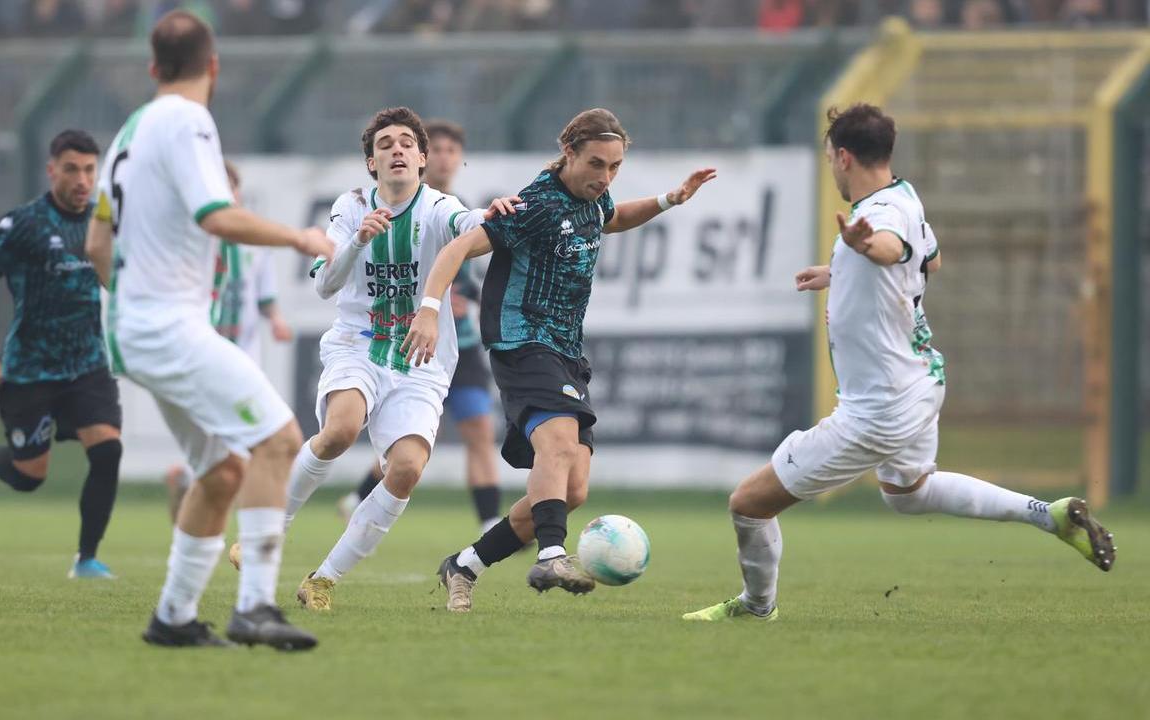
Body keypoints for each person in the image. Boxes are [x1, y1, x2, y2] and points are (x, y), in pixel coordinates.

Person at [682, 104, 1116, 624]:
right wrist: (843, 267)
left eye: (829, 161)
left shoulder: (879, 216)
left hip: (880, 406)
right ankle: (1050, 516)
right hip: (920, 381)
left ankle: (757, 608)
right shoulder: (905, 196)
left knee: (749, 503)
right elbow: (929, 259)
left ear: (843, 157)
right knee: (910, 493)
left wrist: (869, 249)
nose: (832, 171)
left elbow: (891, 247)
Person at [402, 107, 716, 612]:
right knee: (560, 440)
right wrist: (430, 309)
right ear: (568, 152)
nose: (605, 177)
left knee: (571, 490)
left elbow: (612, 218)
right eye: (596, 164)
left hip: (567, 348)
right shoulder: (536, 205)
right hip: (522, 338)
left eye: (614, 167)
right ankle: (551, 553)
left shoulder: (594, 197)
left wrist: (668, 199)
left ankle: (465, 565)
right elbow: (458, 247)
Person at [85, 9, 331, 649]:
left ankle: (171, 620)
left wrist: (132, 305)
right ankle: (254, 607)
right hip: (166, 324)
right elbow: (217, 215)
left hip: (137, 326)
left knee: (223, 470)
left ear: (151, 68)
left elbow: (95, 245)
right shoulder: (187, 120)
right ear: (213, 65)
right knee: (279, 442)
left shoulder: (129, 132)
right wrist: (299, 237)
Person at [246, 106, 517, 612]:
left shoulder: (439, 206)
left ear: (422, 157)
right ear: (371, 162)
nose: (395, 149)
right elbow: (326, 284)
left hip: (419, 359)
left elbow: (469, 224)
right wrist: (356, 242)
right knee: (342, 428)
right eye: (384, 144)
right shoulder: (349, 207)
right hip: (358, 342)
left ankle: (323, 579)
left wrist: (493, 213)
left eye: (405, 143)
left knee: (408, 468)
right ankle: (269, 527)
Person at [0, 129, 123, 581]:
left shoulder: (106, 222)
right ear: (52, 170)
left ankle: (86, 559)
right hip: (31, 370)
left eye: (89, 169)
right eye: (71, 169)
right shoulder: (24, 224)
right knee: (29, 477)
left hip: (88, 364)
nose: (82, 179)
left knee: (107, 452)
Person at [338, 119, 503, 534]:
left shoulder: (456, 210)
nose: (446, 158)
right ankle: (360, 499)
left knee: (480, 431)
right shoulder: (395, 209)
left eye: (453, 151)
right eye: (440, 150)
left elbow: (474, 267)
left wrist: (468, 300)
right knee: (405, 446)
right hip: (405, 343)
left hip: (457, 346)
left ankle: (488, 522)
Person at [162, 160, 294, 522]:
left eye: (231, 188)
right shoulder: (196, 234)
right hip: (203, 348)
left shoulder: (254, 241)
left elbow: (264, 295)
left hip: (244, 352)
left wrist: (278, 320)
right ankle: (205, 495)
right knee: (226, 434)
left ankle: (193, 485)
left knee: (247, 434)